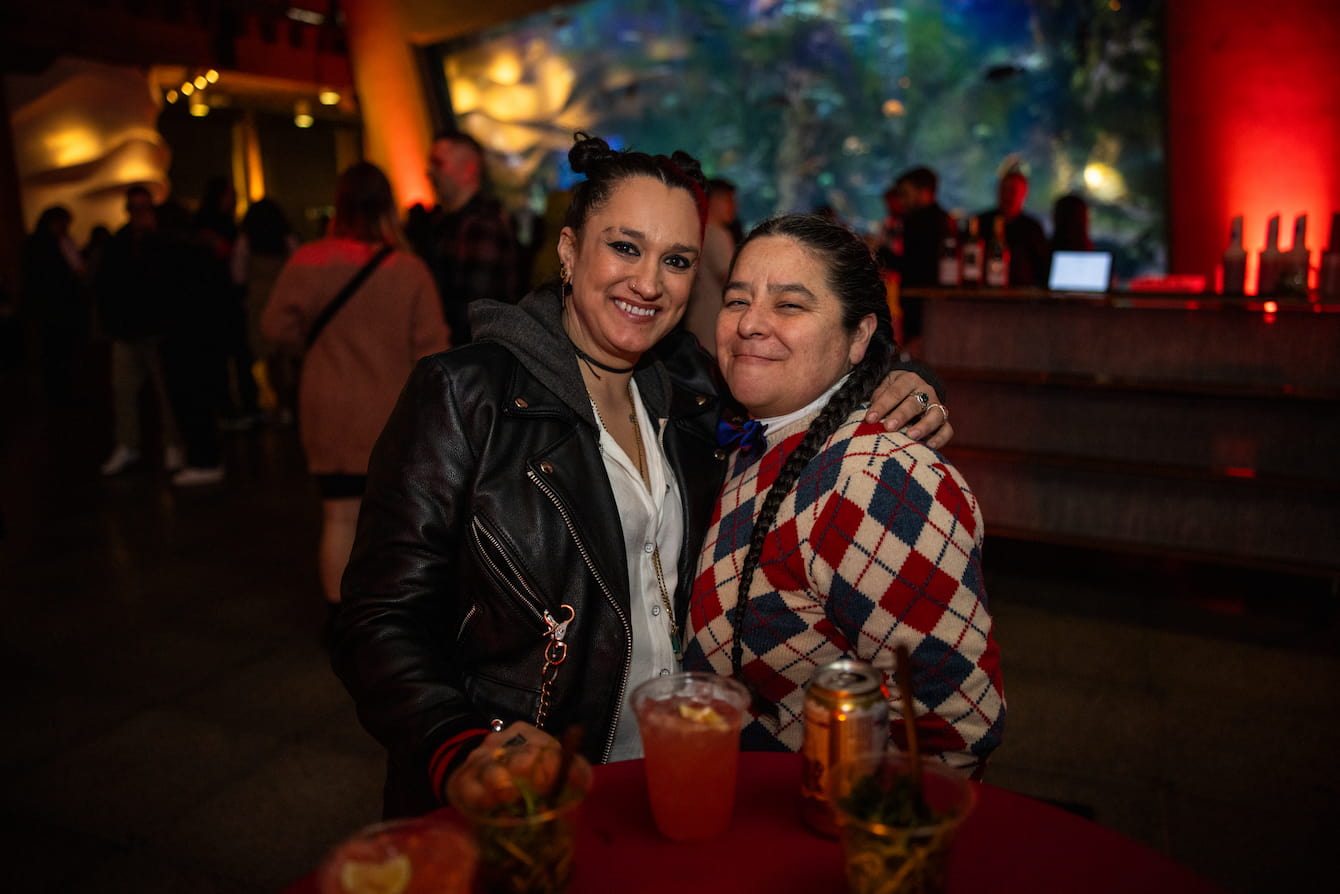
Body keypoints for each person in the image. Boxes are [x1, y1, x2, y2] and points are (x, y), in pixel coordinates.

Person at [330, 134, 952, 819]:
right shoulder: (463, 395)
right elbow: (378, 615)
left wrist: (899, 380)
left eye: (677, 260)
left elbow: (809, 378)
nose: (649, 283)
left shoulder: (690, 387)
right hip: (524, 788)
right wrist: (458, 743)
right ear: (569, 250)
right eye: (625, 247)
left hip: (671, 775)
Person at [684, 213, 1004, 778]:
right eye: (736, 301)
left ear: (859, 336)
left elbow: (950, 734)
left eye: (789, 305)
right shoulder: (748, 432)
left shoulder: (883, 479)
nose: (751, 324)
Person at [261, 162, 449, 620]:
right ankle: (388, 621)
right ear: (388, 205)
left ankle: (340, 619)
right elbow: (434, 350)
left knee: (339, 515)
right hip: (390, 412)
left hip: (327, 406)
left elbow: (273, 328)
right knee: (393, 522)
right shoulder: (408, 270)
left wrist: (315, 342)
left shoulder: (308, 260)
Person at [96, 185, 183, 476]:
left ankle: (173, 444)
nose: (140, 213)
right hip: (127, 330)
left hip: (156, 330)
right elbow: (107, 283)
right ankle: (128, 444)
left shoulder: (163, 241)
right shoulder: (119, 242)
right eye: (135, 207)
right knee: (123, 391)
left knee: (165, 393)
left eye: (144, 207)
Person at [408, 130, 521, 345]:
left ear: (468, 169)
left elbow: (471, 313)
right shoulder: (445, 223)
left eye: (438, 163)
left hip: (468, 360)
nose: (428, 172)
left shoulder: (482, 226)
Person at [21, 205, 88, 404]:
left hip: (61, 307)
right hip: (51, 308)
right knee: (54, 351)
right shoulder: (41, 246)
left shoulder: (62, 242)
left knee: (63, 351)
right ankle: (57, 393)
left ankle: (63, 390)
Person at [889, 166, 952, 348]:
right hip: (929, 304)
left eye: (905, 194)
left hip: (923, 303)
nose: (901, 200)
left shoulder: (921, 222)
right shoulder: (941, 219)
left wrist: (882, 254)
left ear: (923, 192)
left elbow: (915, 266)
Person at [681, 177, 737, 357]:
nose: (733, 207)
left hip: (697, 314)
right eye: (729, 200)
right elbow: (729, 279)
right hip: (712, 317)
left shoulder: (697, 230)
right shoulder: (718, 235)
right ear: (717, 200)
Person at [977, 168, 1049, 288]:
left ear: (1024, 194)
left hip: (1022, 296)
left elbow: (1042, 268)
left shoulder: (1032, 228)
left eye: (1012, 191)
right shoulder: (982, 222)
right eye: (1004, 190)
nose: (1007, 195)